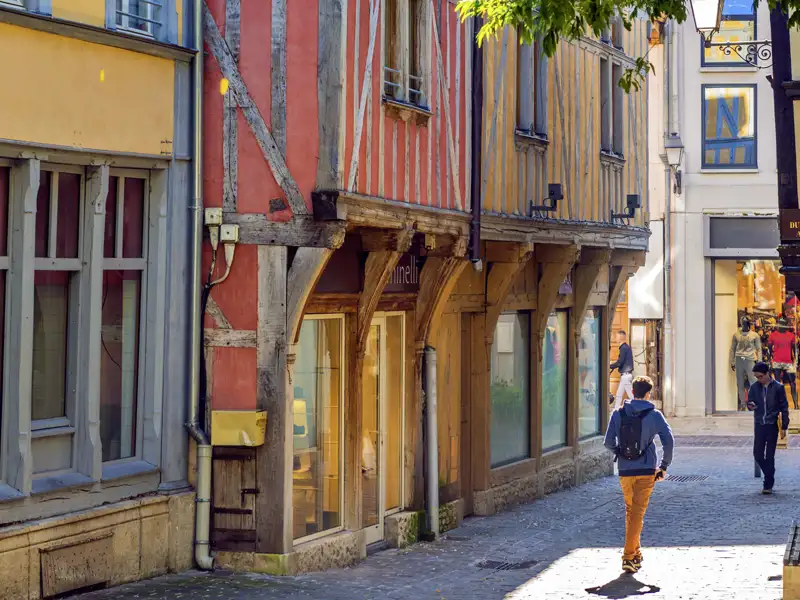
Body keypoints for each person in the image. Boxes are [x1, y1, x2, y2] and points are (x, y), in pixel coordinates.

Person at [604, 376, 673, 574]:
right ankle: (628, 556)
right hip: (646, 469)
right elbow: (669, 442)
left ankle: (636, 554)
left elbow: (608, 443)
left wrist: (621, 453)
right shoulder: (655, 415)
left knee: (631, 511)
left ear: (632, 391)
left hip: (625, 470)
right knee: (637, 513)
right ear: (648, 393)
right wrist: (664, 465)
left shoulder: (618, 413)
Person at [747, 362, 789, 495]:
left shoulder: (778, 387)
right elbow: (750, 402)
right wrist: (751, 405)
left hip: (772, 424)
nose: (758, 379)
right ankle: (770, 476)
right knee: (758, 454)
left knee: (770, 455)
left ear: (767, 374)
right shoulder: (754, 387)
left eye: (760, 376)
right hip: (759, 424)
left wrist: (784, 426)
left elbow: (784, 407)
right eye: (756, 377)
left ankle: (768, 484)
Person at [730, 317, 762, 411]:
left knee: (753, 382)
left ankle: (754, 402)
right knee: (740, 383)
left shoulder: (754, 335)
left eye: (746, 323)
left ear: (749, 324)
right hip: (739, 359)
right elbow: (733, 349)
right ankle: (743, 403)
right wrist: (732, 361)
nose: (744, 325)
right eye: (743, 323)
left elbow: (759, 349)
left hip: (750, 359)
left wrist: (759, 362)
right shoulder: (736, 335)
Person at [769, 319, 798, 410]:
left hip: (785, 361)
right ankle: (788, 405)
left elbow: (794, 349)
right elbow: (794, 349)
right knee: (781, 384)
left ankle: (796, 404)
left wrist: (794, 360)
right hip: (781, 361)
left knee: (791, 383)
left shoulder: (790, 336)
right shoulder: (773, 335)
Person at [610, 330, 634, 410]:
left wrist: (610, 366)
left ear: (620, 337)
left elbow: (620, 362)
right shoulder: (626, 347)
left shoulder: (623, 348)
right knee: (619, 394)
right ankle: (616, 410)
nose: (615, 338)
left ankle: (639, 410)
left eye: (616, 336)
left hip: (626, 376)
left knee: (631, 395)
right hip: (625, 375)